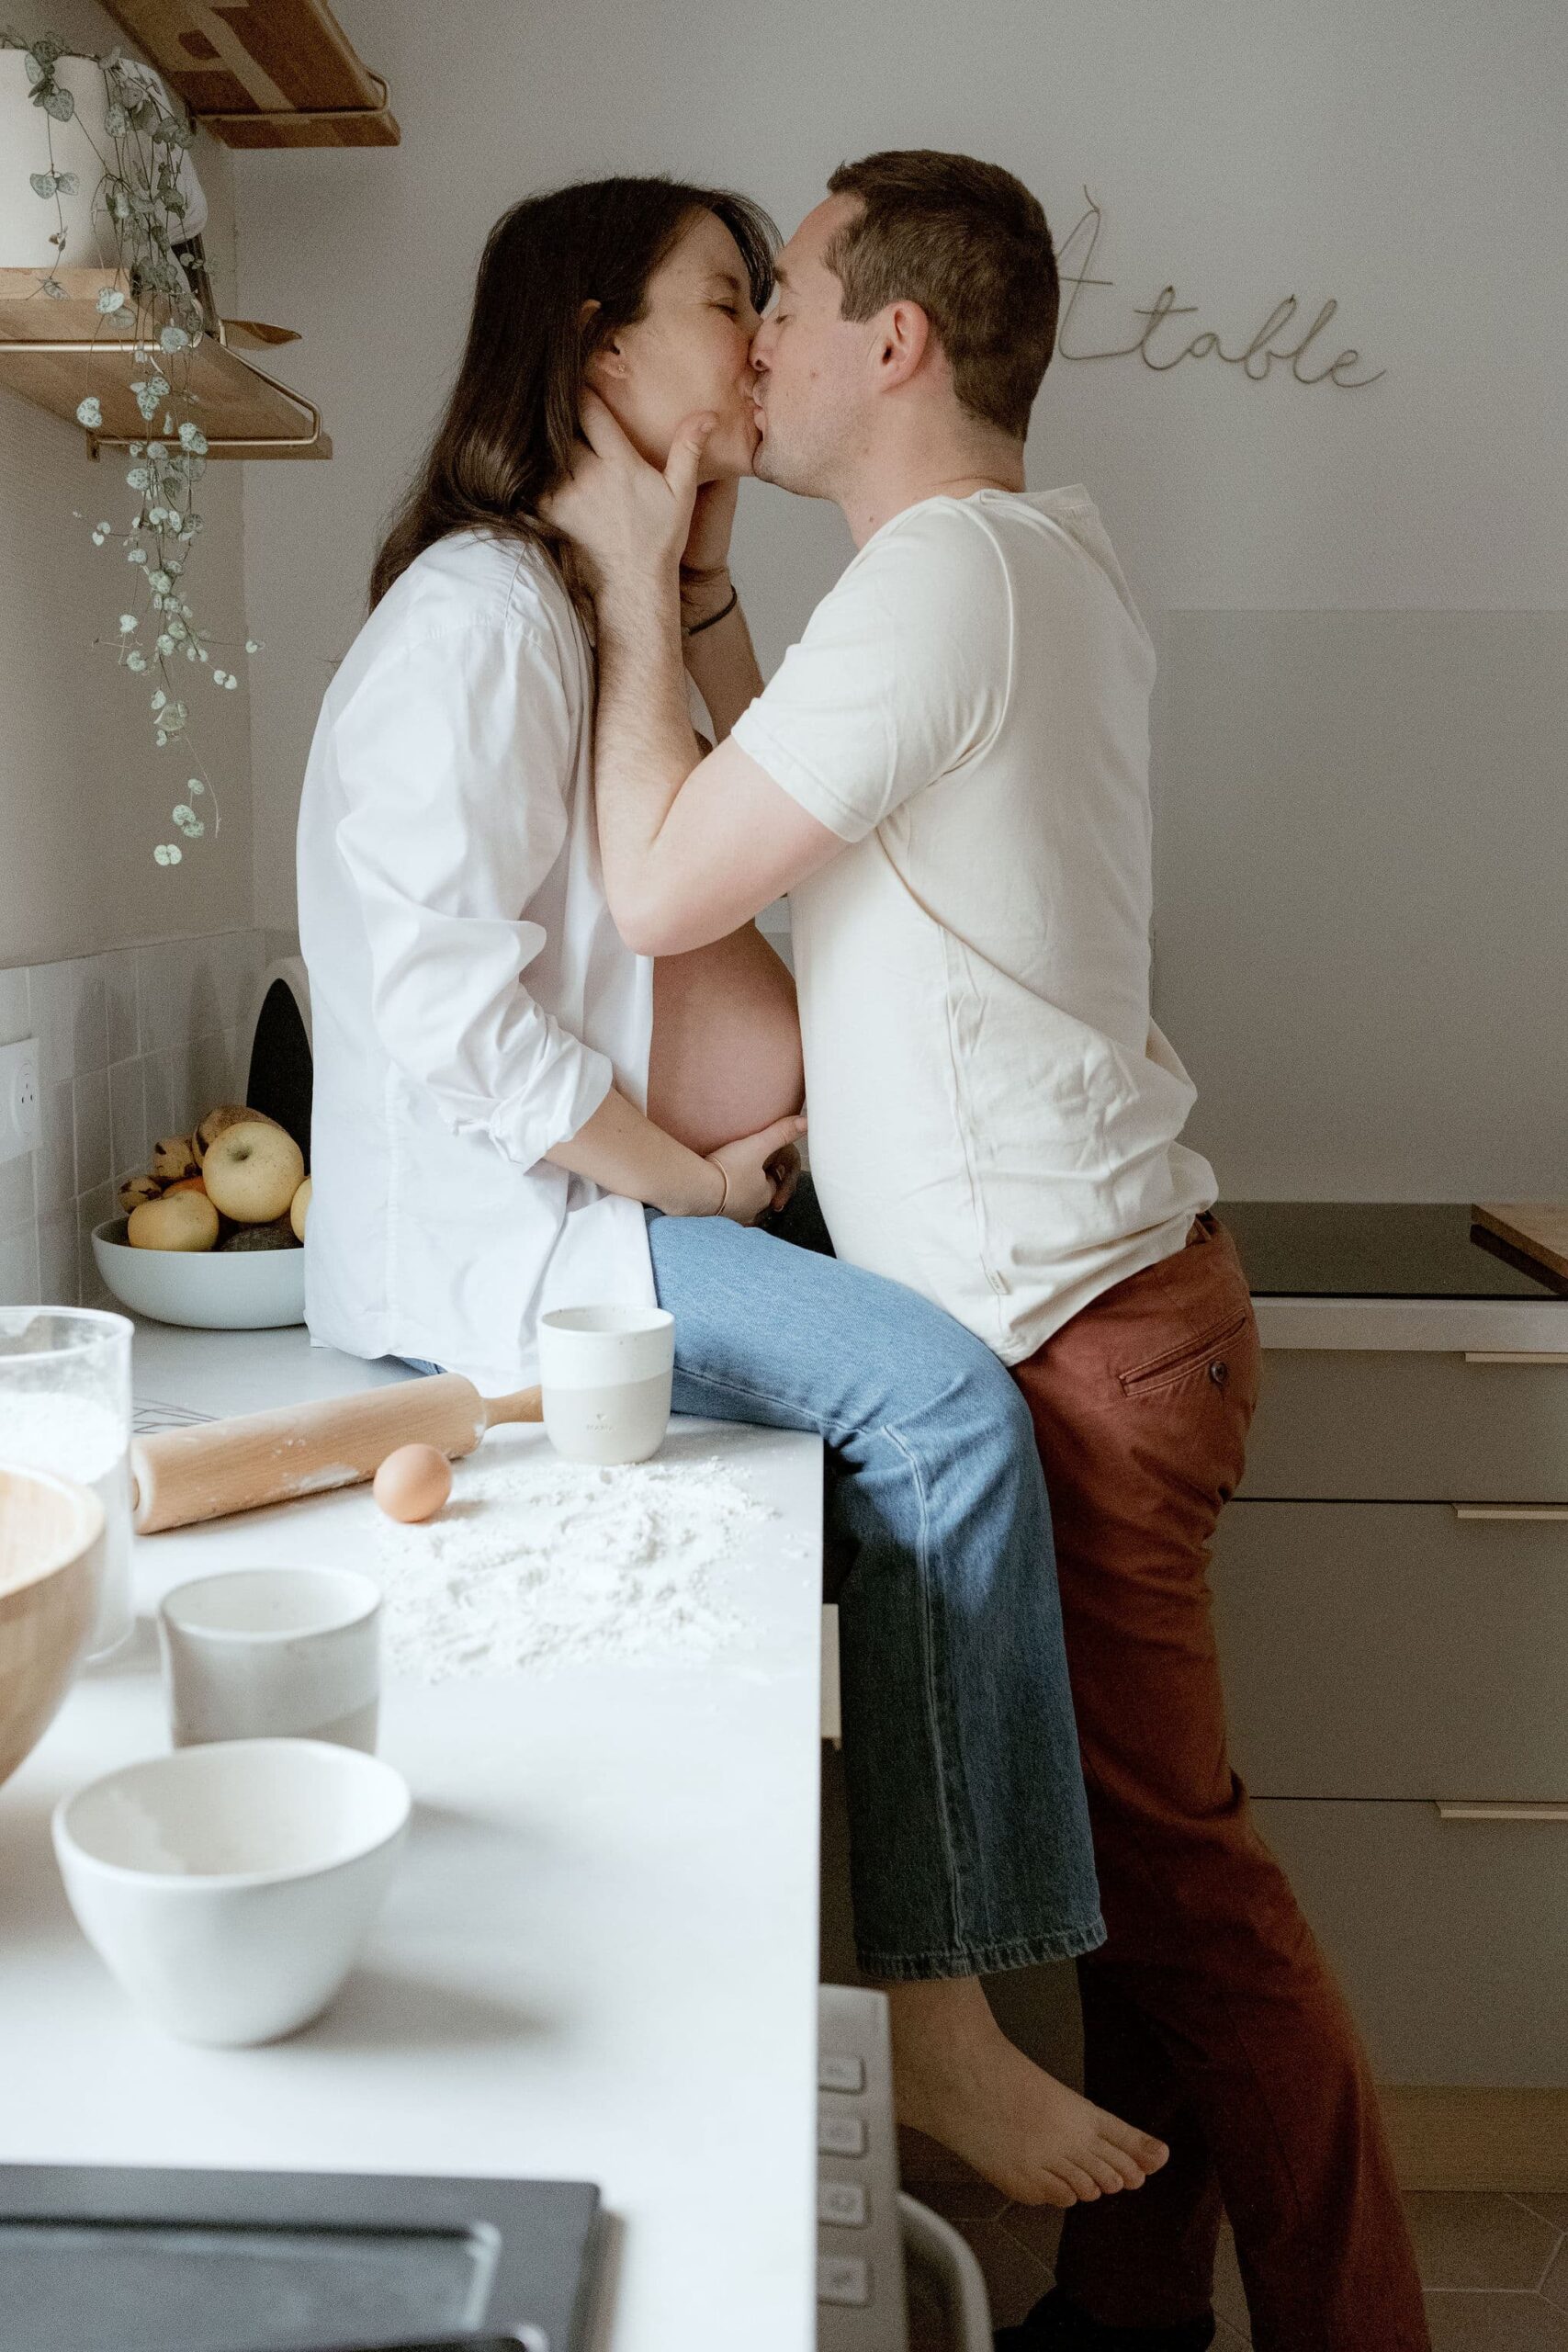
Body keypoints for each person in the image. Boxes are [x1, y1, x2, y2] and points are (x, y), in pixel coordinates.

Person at [545, 152, 1429, 2352]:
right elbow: (790, 807)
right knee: (1142, 1912)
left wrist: (633, 568)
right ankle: (1117, 2318)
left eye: (793, 295)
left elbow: (663, 885)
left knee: (1190, 1913)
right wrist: (727, 580)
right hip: (1114, 1319)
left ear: (894, 341)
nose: (756, 338)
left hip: (1085, 1340)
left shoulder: (949, 583)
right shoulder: (1000, 571)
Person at [296, 174, 1168, 2213]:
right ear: (603, 348)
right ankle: (943, 2026)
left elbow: (722, 906)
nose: (758, 338)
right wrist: (676, 1167)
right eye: (722, 299)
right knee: (947, 1407)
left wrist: (673, 576)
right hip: (524, 1255)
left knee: (915, 1439)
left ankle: (940, 1992)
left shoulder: (587, 605)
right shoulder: (481, 610)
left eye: (774, 299)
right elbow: (443, 996)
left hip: (627, 1224)